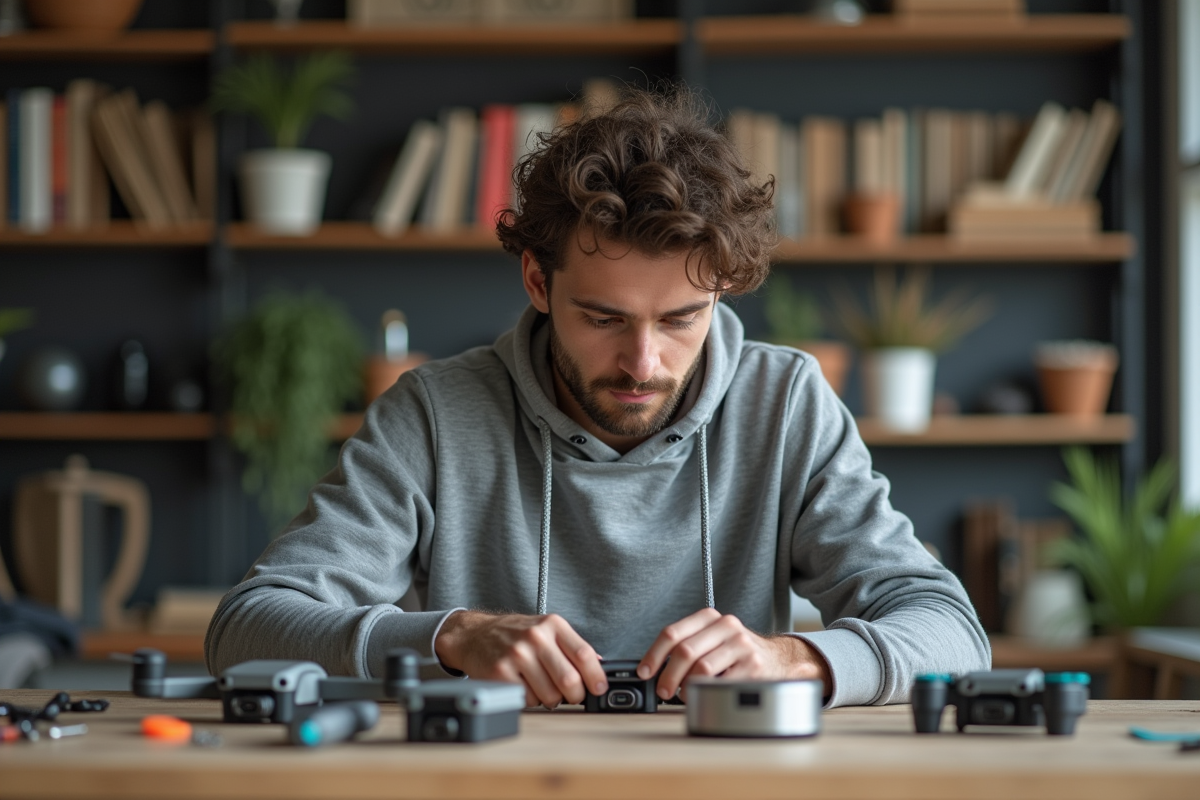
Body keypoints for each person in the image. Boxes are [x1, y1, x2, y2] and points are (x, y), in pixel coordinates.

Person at [206, 89, 989, 709]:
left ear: (720, 292)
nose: (643, 363)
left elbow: (952, 632)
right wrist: (450, 637)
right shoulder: (434, 414)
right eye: (605, 318)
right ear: (538, 282)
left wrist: (795, 658)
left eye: (680, 319)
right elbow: (246, 627)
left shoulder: (784, 402)